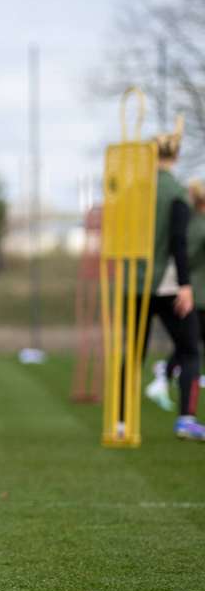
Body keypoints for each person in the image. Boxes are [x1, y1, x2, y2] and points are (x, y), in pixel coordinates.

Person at [124, 119, 204, 440]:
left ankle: (120, 419)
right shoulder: (175, 194)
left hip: (134, 283)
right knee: (189, 351)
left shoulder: (135, 191)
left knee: (133, 354)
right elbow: (178, 243)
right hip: (167, 285)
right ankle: (185, 418)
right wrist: (185, 285)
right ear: (176, 154)